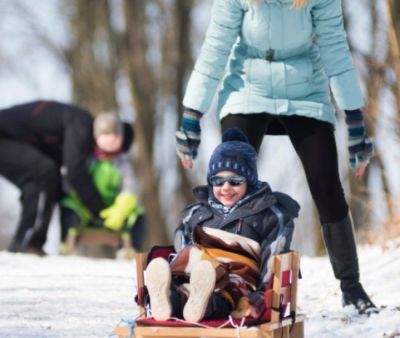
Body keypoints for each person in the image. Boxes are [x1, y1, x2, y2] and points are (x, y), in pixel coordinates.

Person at [175, 0, 377, 314]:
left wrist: (354, 118)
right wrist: (192, 114)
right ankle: (215, 281)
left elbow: (335, 52)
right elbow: (215, 48)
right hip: (247, 87)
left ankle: (351, 286)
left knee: (326, 185)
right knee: (229, 183)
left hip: (305, 92)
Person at [145, 128, 300, 322]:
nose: (226, 188)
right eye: (218, 181)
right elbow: (182, 244)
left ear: (250, 182)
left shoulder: (268, 214)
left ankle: (203, 304)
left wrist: (263, 292)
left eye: (235, 181)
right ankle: (168, 299)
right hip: (196, 270)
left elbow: (273, 254)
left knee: (230, 292)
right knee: (183, 284)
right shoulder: (196, 212)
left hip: (237, 273)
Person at [0, 101, 132, 255]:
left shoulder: (79, 132)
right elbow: (75, 172)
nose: (110, 158)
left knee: (45, 176)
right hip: (4, 137)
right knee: (44, 171)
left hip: (12, 141)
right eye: (113, 152)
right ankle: (28, 244)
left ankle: (27, 243)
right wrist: (102, 212)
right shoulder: (82, 125)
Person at [60, 112, 145, 255]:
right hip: (85, 209)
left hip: (113, 209)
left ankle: (131, 249)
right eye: (105, 134)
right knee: (68, 206)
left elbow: (130, 186)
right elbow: (73, 179)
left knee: (137, 214)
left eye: (115, 135)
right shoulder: (87, 159)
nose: (110, 139)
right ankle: (66, 244)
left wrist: (120, 209)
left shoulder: (123, 163)